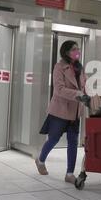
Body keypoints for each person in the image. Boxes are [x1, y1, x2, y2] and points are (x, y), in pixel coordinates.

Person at [35, 41, 90, 184]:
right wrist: (78, 94)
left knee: (73, 141)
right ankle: (40, 160)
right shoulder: (59, 67)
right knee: (53, 138)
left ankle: (70, 174)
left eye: (78, 48)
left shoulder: (80, 68)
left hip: (76, 110)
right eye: (74, 49)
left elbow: (85, 86)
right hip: (60, 110)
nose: (77, 51)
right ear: (66, 52)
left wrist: (89, 94)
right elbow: (59, 89)